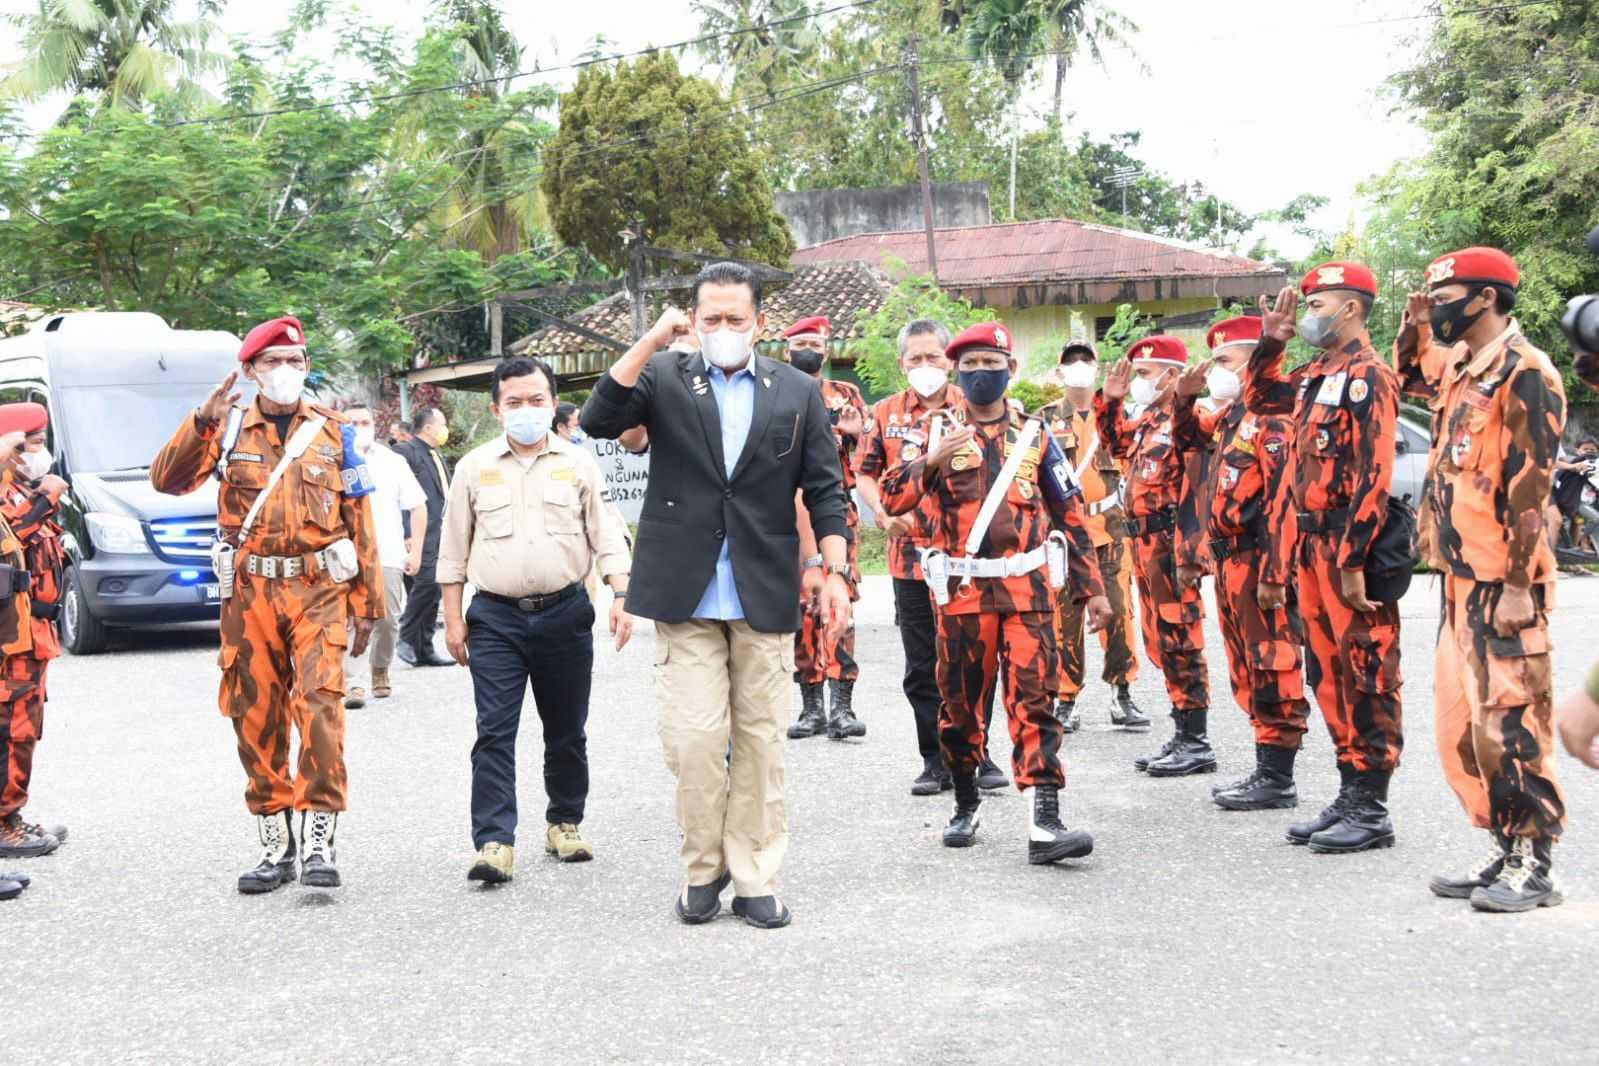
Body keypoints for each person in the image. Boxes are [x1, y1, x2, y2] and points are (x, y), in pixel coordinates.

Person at [580, 261, 852, 931]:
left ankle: (755, 875)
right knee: (695, 742)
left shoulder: (794, 389)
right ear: (692, 322)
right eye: (711, 320)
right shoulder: (666, 376)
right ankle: (703, 867)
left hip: (763, 586)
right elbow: (596, 419)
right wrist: (651, 339)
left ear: (759, 323)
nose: (724, 330)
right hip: (685, 589)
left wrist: (836, 571)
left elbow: (824, 489)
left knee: (760, 743)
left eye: (736, 319)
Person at [151, 316, 382, 894]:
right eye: (273, 362)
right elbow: (167, 481)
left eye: (295, 361)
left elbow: (361, 522)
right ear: (250, 370)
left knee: (322, 711)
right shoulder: (226, 433)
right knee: (255, 717)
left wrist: (368, 604)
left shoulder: (334, 433)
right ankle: (275, 846)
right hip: (250, 593)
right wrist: (204, 420)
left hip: (317, 591)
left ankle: (320, 841)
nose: (286, 371)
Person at [880, 321, 1112, 862]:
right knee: (961, 708)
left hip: (1027, 591)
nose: (981, 374)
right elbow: (891, 498)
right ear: (958, 374)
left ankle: (1045, 823)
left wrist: (1091, 588)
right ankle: (965, 802)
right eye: (971, 366)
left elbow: (1070, 513)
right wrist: (931, 461)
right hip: (961, 594)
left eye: (991, 364)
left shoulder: (1036, 435)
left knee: (1035, 700)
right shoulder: (935, 432)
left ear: (1010, 370)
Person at [1394, 248, 1566, 911]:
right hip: (1458, 578)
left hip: (1504, 582)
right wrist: (1413, 324)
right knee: (1462, 728)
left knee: (1512, 724)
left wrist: (1520, 586)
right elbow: (1406, 373)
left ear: (1486, 298)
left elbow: (1529, 490)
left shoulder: (1524, 373)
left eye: (1447, 296)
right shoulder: (1464, 370)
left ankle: (1536, 861)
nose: (1437, 307)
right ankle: (1502, 844)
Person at [438, 357, 632, 884]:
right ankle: (494, 841)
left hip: (566, 613)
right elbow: (453, 552)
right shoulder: (474, 468)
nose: (527, 411)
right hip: (495, 619)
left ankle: (564, 822)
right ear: (497, 408)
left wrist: (621, 594)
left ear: (552, 403)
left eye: (537, 401)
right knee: (494, 732)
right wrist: (453, 621)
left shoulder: (579, 464)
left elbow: (608, 535)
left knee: (566, 730)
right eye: (515, 403)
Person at [1246, 265, 1403, 854]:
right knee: (1328, 673)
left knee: (1367, 669)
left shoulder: (1371, 376)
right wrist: (1274, 339)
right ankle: (1349, 788)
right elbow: (1261, 397)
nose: (1309, 310)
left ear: (1352, 309)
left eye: (1318, 302)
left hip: (1346, 546)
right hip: (1309, 546)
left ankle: (1373, 803)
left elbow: (1374, 471)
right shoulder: (1314, 375)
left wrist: (1355, 555)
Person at [857, 320, 1006, 794]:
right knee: (923, 665)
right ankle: (934, 759)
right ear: (902, 364)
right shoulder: (883, 413)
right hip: (910, 558)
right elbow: (865, 473)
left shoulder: (975, 408)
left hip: (967, 559)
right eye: (915, 359)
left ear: (950, 360)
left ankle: (977, 754)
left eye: (933, 358)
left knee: (975, 659)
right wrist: (882, 514)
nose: (925, 367)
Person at [1171, 317, 1310, 812]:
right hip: (1231, 563)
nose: (1215, 373)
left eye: (1225, 362)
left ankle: (1278, 777)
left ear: (1254, 363)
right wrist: (1184, 398)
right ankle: (1264, 768)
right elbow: (1189, 438)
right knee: (1247, 666)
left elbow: (1282, 501)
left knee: (1275, 661)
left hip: (1259, 559)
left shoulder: (1274, 420)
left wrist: (1276, 574)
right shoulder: (1234, 417)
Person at [1098, 336, 1214, 777]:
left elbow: (1195, 494)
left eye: (1146, 374)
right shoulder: (1148, 421)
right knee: (1160, 640)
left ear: (1172, 376)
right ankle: (1182, 731)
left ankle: (1196, 739)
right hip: (1143, 545)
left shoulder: (1191, 421)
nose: (1139, 381)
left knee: (1182, 637)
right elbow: (1113, 445)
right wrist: (1111, 401)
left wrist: (1190, 556)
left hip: (1170, 545)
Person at [1038, 342, 1147, 734]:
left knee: (1118, 613)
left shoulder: (1116, 416)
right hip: (1065, 534)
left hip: (1111, 529)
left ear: (1097, 368)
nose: (1079, 367)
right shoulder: (1045, 420)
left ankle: (1123, 692)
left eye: (1085, 361)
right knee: (1065, 620)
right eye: (1071, 362)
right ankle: (1066, 698)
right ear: (1059, 371)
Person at [780, 315, 868, 742]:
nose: (809, 350)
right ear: (786, 351)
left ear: (827, 350)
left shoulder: (846, 395)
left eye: (816, 342)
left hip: (838, 514)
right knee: (802, 611)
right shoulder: (777, 389)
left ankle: (843, 707)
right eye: (801, 343)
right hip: (788, 515)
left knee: (840, 604)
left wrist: (855, 433)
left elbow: (871, 452)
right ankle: (811, 706)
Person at [0, 405, 69, 861]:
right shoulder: (10, 497)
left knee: (24, 729)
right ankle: (5, 825)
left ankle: (12, 815)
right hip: (12, 637)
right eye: (30, 442)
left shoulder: (20, 490)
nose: (37, 452)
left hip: (33, 631)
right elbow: (11, 539)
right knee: (11, 729)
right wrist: (43, 499)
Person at [340, 403, 426, 708]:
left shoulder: (392, 461)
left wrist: (415, 549)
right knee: (349, 619)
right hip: (343, 556)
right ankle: (353, 682)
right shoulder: (330, 459)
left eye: (364, 421)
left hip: (386, 553)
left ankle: (380, 669)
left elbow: (417, 505)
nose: (359, 427)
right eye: (352, 422)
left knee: (388, 620)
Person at [395, 406, 451, 667]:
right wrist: (408, 532)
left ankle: (424, 648)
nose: (445, 430)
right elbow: (401, 495)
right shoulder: (406, 452)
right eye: (442, 424)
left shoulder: (435, 455)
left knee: (434, 589)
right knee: (427, 582)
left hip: (440, 532)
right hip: (419, 533)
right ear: (428, 428)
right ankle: (405, 635)